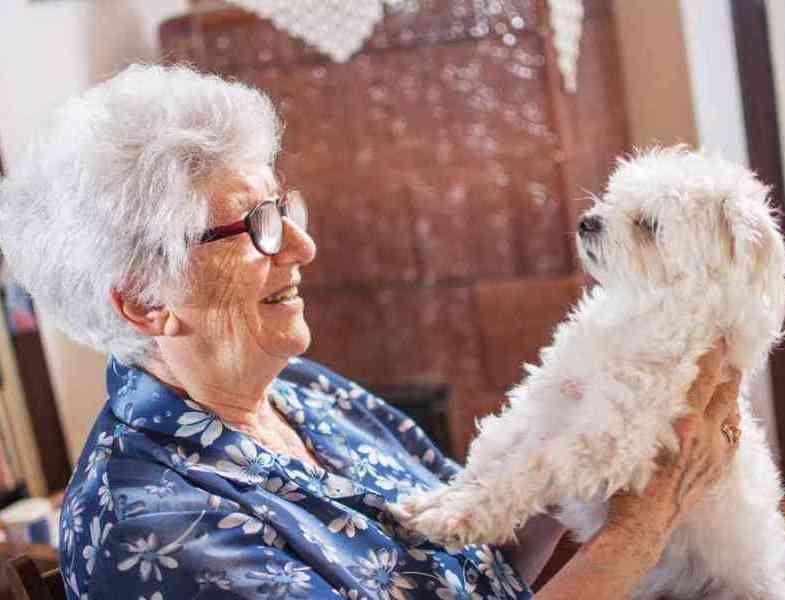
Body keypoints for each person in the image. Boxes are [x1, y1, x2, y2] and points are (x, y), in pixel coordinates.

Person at [0, 65, 741, 600]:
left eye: (284, 206)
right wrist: (638, 530)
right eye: (253, 225)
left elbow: (476, 563)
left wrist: (582, 450)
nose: (300, 246)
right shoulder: (155, 530)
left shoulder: (305, 392)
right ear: (144, 303)